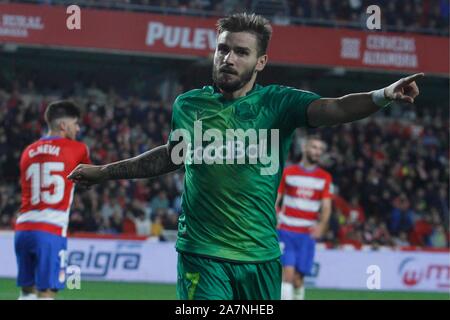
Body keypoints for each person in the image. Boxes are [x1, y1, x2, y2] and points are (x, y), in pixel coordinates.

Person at [68, 13, 423, 300]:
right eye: (223, 49)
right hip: (202, 252)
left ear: (261, 61)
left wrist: (383, 94)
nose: (228, 58)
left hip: (261, 257)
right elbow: (171, 157)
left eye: (241, 52)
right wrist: (104, 172)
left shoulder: (279, 103)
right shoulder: (189, 105)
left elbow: (335, 108)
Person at [15, 101, 91, 300]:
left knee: (27, 292)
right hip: (51, 230)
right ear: (63, 126)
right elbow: (90, 180)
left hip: (22, 228)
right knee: (46, 293)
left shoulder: (28, 151)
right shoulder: (78, 149)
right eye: (75, 124)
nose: (78, 128)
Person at [276, 135, 332, 300]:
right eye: (314, 147)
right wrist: (273, 215)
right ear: (305, 148)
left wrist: (322, 225)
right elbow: (276, 198)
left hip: (307, 234)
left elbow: (326, 206)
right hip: (286, 230)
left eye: (320, 149)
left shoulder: (324, 177)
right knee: (287, 275)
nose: (317, 152)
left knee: (298, 280)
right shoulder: (288, 172)